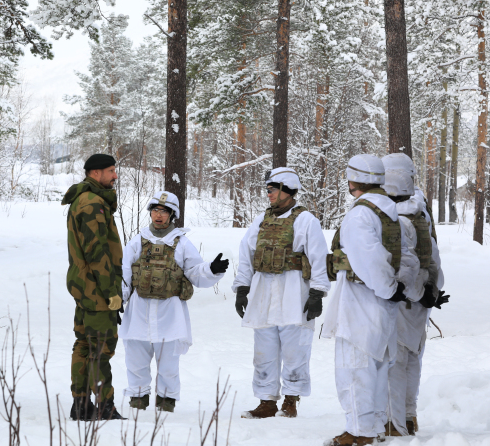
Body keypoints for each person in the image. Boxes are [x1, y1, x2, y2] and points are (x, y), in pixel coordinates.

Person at [322, 154, 419, 446]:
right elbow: (410, 258)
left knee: (354, 369)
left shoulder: (361, 215)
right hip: (384, 308)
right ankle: (375, 425)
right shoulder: (395, 213)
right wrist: (399, 288)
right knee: (377, 369)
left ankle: (359, 432)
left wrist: (388, 288)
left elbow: (370, 260)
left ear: (353, 181)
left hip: (361, 303)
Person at [232, 167, 330, 419]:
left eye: (273, 189)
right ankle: (266, 401)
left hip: (294, 290)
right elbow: (246, 254)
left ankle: (291, 399)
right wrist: (242, 287)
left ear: (287, 189)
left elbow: (318, 258)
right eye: (268, 190)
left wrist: (318, 292)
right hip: (264, 290)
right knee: (263, 350)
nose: (269, 194)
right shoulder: (261, 220)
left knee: (295, 348)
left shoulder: (306, 220)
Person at [120, 191, 228, 412]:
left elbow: (195, 272)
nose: (158, 216)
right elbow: (124, 274)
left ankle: (166, 403)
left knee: (169, 364)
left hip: (170, 312)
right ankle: (137, 400)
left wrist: (211, 270)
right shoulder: (137, 241)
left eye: (164, 211)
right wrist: (117, 302)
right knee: (136, 360)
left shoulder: (182, 243)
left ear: (172, 215)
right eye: (155, 210)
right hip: (139, 310)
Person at [384, 153, 448, 435]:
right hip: (421, 298)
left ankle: (394, 422)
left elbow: (403, 263)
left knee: (394, 361)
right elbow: (432, 255)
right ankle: (408, 416)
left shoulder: (394, 216)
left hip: (402, 296)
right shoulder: (419, 211)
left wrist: (415, 292)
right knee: (411, 358)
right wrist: (432, 290)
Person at [62, 153, 124, 421]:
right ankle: (103, 406)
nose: (115, 175)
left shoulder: (88, 200)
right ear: (95, 173)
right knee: (100, 348)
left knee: (85, 345)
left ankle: (81, 404)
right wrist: (111, 292)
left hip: (84, 286)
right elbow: (96, 252)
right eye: (111, 171)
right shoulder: (92, 204)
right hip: (96, 289)